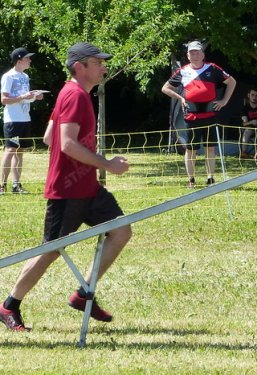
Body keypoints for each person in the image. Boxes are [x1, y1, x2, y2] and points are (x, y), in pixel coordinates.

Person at [0, 42, 132, 331]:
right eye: (97, 63)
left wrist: (84, 164)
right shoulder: (74, 96)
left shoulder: (73, 94)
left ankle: (84, 294)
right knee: (51, 251)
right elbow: (67, 143)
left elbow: (49, 137)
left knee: (121, 230)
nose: (103, 67)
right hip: (66, 191)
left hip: (87, 187)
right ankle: (9, 305)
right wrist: (106, 164)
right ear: (79, 66)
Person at [162, 40, 236, 188]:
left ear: (203, 54)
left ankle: (210, 178)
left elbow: (232, 82)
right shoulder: (182, 71)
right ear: (188, 56)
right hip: (191, 116)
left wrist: (224, 101)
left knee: (210, 148)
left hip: (210, 115)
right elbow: (165, 88)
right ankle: (191, 180)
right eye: (191, 53)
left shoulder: (213, 68)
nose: (194, 55)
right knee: (191, 149)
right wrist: (180, 98)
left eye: (197, 52)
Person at [0, 47, 45, 195]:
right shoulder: (9, 76)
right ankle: (2, 185)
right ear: (19, 61)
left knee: (20, 152)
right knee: (10, 150)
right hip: (13, 121)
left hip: (25, 119)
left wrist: (34, 96)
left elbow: (25, 97)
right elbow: (4, 99)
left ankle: (16, 185)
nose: (30, 60)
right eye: (27, 58)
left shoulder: (25, 76)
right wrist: (24, 97)